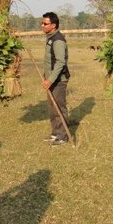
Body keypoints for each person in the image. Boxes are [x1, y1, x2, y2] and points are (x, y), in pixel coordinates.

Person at [41, 12, 70, 146]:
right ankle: (55, 134)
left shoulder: (58, 40)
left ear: (53, 25)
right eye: (42, 23)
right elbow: (49, 60)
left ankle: (62, 137)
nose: (42, 26)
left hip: (58, 80)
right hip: (51, 79)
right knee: (52, 108)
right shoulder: (50, 37)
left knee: (59, 108)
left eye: (45, 24)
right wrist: (45, 75)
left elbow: (60, 62)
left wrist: (50, 79)